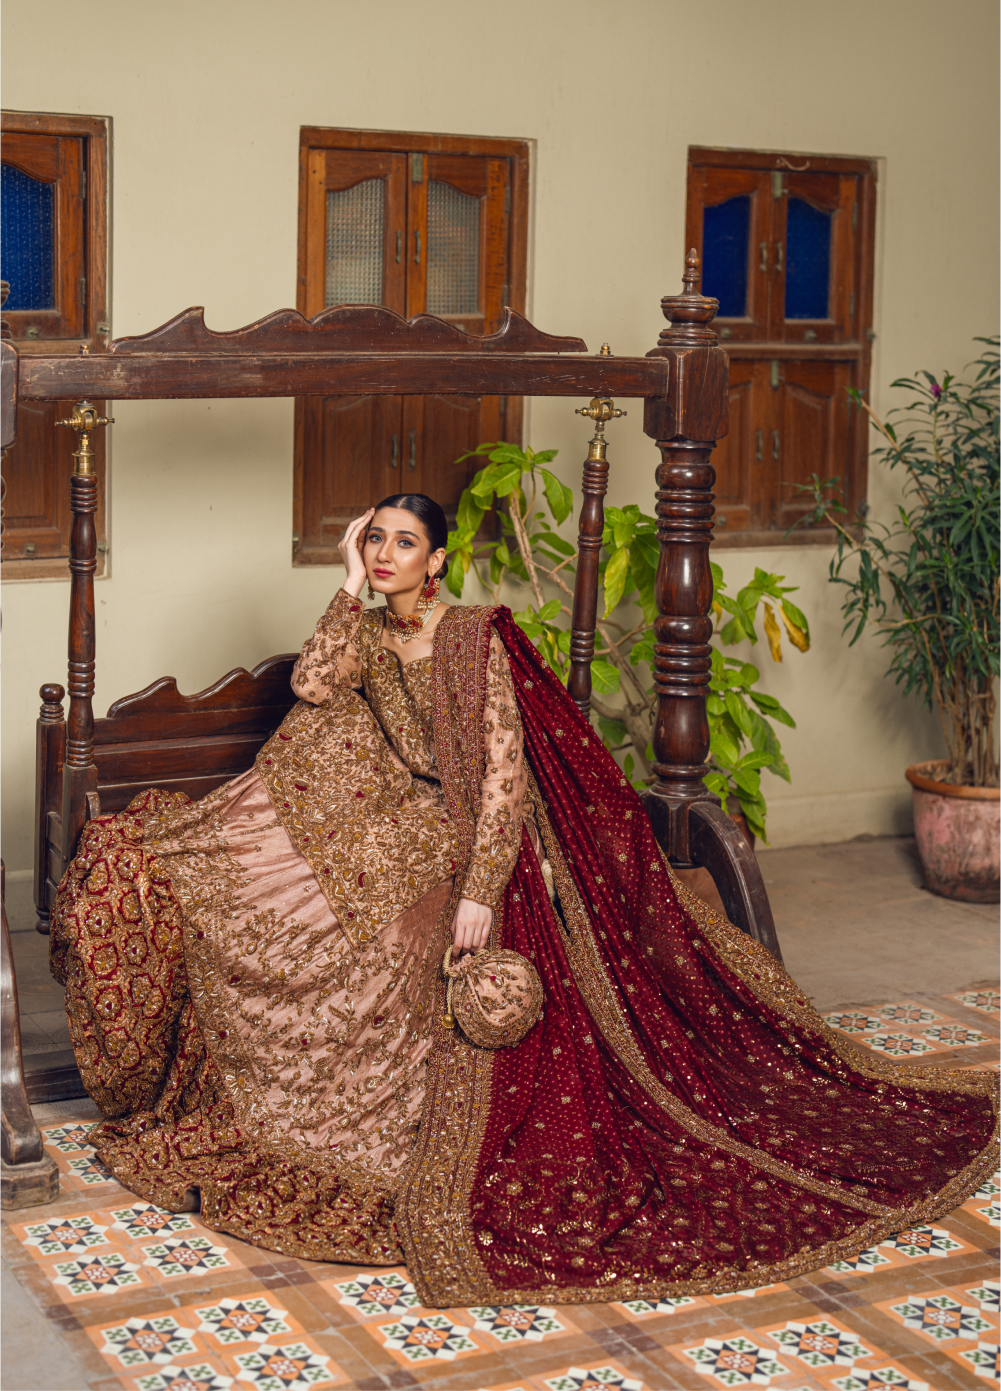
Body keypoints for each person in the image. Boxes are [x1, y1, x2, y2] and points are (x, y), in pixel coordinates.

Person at [52, 492, 1001, 1309]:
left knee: (399, 945)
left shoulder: (472, 639)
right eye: (372, 540)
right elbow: (309, 684)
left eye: (400, 544)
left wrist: (478, 894)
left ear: (440, 561)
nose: (385, 556)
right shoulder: (368, 624)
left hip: (468, 831)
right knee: (186, 877)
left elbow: (503, 780)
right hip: (388, 818)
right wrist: (344, 581)